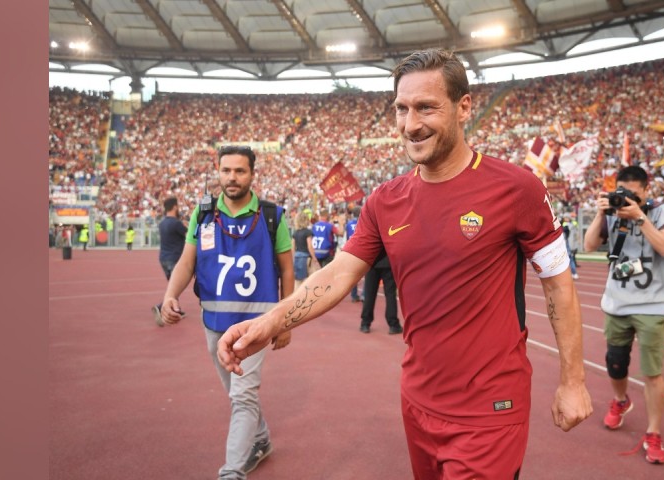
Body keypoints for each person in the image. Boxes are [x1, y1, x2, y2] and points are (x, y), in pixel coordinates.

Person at [216, 48, 592, 479]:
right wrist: (271, 321)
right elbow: (339, 274)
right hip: (418, 400)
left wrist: (573, 381)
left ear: (463, 106)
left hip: (490, 407)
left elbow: (558, 283)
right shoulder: (385, 201)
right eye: (401, 109)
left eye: (426, 108)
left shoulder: (517, 188)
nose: (411, 125)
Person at [157, 145, 294, 479]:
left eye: (240, 171)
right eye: (226, 170)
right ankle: (260, 439)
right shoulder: (202, 215)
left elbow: (287, 271)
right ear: (218, 171)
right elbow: (187, 261)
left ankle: (232, 471)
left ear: (252, 174)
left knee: (243, 395)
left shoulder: (273, 215)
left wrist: (286, 321)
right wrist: (169, 295)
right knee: (236, 393)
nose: (232, 178)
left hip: (256, 326)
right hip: (214, 323)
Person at [583, 165, 664, 465]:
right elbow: (589, 245)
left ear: (645, 191)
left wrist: (639, 217)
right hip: (618, 302)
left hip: (652, 304)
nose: (626, 199)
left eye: (633, 194)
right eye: (621, 193)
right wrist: (602, 213)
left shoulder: (662, 212)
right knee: (615, 363)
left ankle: (653, 433)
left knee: (652, 372)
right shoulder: (613, 214)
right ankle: (620, 400)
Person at [153, 197, 188, 327]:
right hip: (175, 258)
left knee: (173, 285)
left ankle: (175, 310)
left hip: (163, 258)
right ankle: (162, 307)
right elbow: (189, 234)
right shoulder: (176, 223)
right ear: (174, 207)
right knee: (176, 286)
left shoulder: (162, 223)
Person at [359, 253, 402, 335]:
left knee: (369, 294)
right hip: (388, 263)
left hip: (372, 263)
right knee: (390, 295)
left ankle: (365, 323)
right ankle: (393, 324)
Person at [292, 211, 320, 290]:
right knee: (310, 279)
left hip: (297, 257)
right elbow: (309, 246)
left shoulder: (295, 233)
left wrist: (293, 258)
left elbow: (292, 247)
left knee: (298, 280)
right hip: (306, 257)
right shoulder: (308, 232)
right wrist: (314, 258)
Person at [345, 207, 362, 302]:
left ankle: (353, 295)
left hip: (352, 249)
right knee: (368, 274)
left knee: (353, 273)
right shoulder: (363, 222)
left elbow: (347, 236)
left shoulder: (348, 224)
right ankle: (364, 295)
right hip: (362, 248)